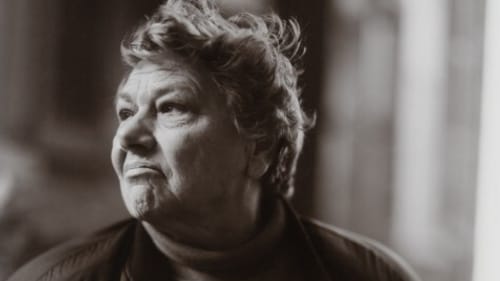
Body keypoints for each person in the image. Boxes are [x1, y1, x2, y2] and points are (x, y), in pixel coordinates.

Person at [8, 0, 421, 280]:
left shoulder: (372, 275)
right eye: (125, 112)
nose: (128, 136)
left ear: (258, 145)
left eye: (170, 108)